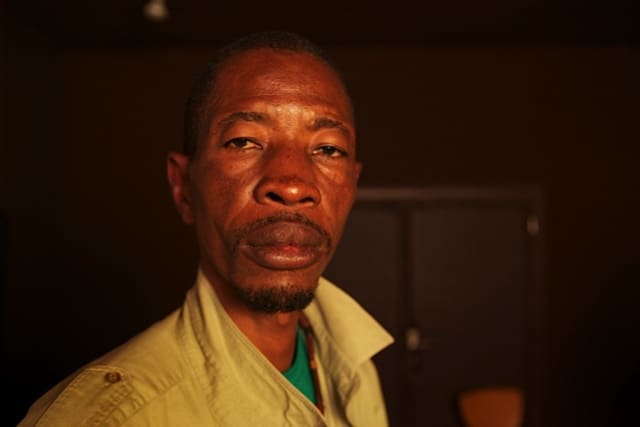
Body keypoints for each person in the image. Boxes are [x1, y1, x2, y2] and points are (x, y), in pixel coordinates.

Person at [19, 30, 393, 426]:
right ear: (183, 188)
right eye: (244, 141)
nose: (292, 185)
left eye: (328, 149)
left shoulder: (355, 368)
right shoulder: (107, 418)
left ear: (352, 186)